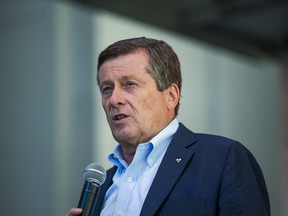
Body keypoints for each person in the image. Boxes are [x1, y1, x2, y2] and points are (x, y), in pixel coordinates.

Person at [66, 37, 270, 216]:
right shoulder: (101, 186)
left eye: (129, 84)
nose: (114, 99)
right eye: (107, 89)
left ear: (170, 96)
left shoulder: (222, 159)